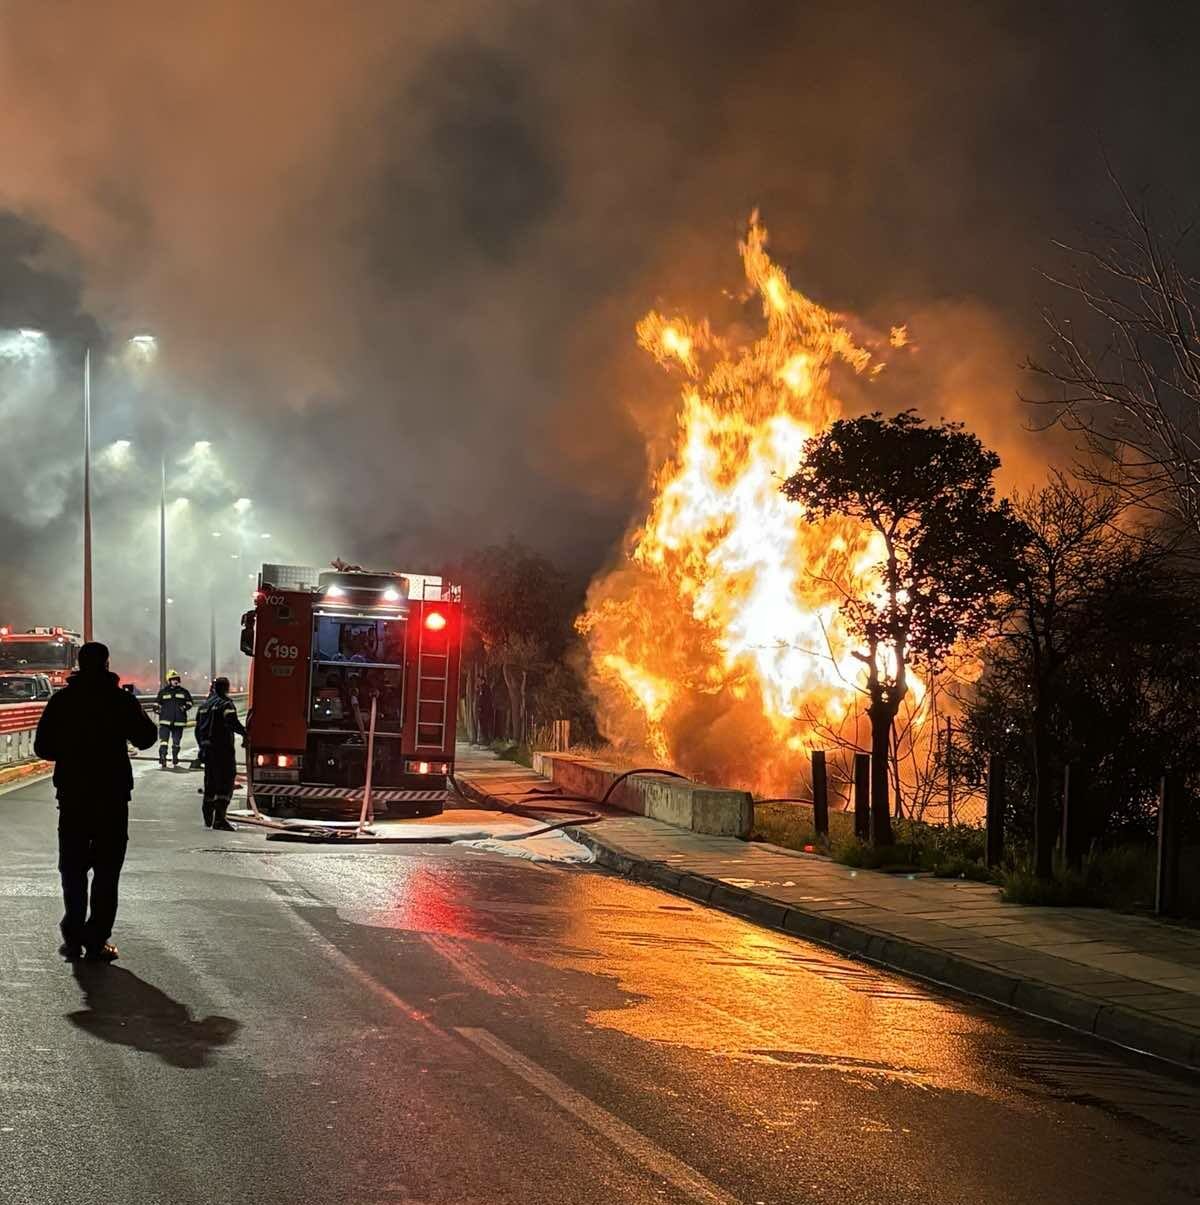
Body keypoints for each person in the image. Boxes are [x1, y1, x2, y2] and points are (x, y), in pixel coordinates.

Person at [33, 641, 157, 962]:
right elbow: (146, 738)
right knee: (106, 870)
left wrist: (71, 752)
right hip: (111, 797)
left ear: (77, 663)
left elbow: (42, 748)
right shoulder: (120, 701)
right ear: (106, 664)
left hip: (73, 796)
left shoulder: (61, 701)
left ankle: (72, 934)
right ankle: (96, 938)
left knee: (72, 868)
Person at [202, 677, 245, 831]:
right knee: (225, 783)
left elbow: (197, 730)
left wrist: (202, 747)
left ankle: (207, 816)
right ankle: (220, 819)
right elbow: (231, 721)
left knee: (210, 782)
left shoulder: (205, 705)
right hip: (223, 750)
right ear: (226, 688)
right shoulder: (225, 704)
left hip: (208, 750)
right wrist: (245, 733)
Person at [155, 670, 194, 768]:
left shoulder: (184, 692)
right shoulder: (163, 692)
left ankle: (175, 756)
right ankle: (163, 756)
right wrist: (157, 710)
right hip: (165, 721)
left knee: (176, 741)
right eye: (173, 679)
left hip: (179, 721)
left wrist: (184, 707)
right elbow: (156, 704)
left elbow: (190, 703)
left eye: (176, 679)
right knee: (164, 741)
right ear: (169, 680)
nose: (175, 681)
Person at [190, 680, 220, 769]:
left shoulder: (205, 703)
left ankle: (200, 763)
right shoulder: (222, 702)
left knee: (205, 749)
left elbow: (198, 719)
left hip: (201, 731)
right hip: (211, 731)